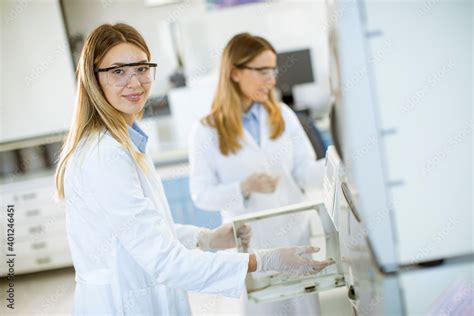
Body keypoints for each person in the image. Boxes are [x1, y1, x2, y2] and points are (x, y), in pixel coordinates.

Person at [54, 23, 333, 315]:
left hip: (283, 236)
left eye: (141, 68)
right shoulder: (105, 156)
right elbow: (163, 259)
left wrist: (205, 238)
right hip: (126, 303)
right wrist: (263, 261)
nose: (135, 82)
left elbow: (147, 231)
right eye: (118, 71)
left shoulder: (125, 142)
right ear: (93, 79)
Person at [189, 33, 327, 315]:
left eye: (272, 70)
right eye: (263, 70)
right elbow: (201, 195)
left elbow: (304, 173)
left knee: (305, 310)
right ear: (236, 72)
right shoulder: (206, 131)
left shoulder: (283, 115)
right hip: (249, 246)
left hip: (294, 235)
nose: (272, 79)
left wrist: (337, 165)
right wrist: (243, 187)